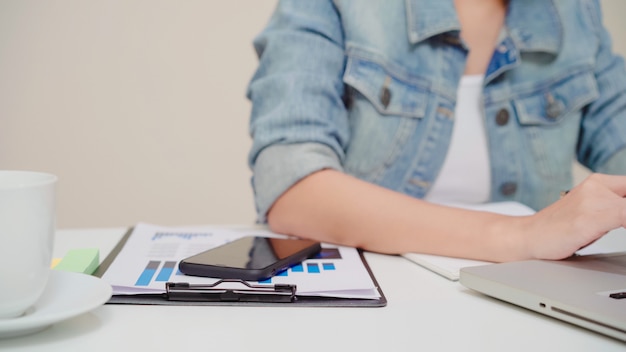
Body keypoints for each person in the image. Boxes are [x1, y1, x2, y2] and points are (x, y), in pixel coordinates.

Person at [246, 0, 626, 262]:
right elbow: (293, 188)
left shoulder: (575, 11)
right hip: (378, 298)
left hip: (525, 296)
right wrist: (521, 236)